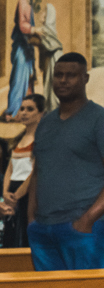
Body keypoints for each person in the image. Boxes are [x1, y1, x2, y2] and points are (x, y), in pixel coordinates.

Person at [28, 53, 104, 270]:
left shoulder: (98, 119)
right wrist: (31, 219)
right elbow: (38, 171)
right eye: (58, 75)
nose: (63, 80)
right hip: (42, 228)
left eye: (71, 75)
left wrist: (87, 220)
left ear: (85, 79)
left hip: (83, 228)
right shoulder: (46, 122)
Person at [0, 94, 44, 248]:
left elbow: (36, 171)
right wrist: (5, 192)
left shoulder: (41, 139)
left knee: (24, 234)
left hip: (29, 192)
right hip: (13, 191)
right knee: (11, 233)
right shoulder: (19, 139)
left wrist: (18, 195)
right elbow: (10, 168)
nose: (23, 113)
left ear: (40, 113)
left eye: (30, 109)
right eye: (22, 109)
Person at [5, 0, 41, 121]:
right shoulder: (23, 2)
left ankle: (23, 110)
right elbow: (22, 25)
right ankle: (12, 112)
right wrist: (35, 30)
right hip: (21, 47)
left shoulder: (28, 3)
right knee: (19, 79)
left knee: (27, 80)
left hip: (26, 48)